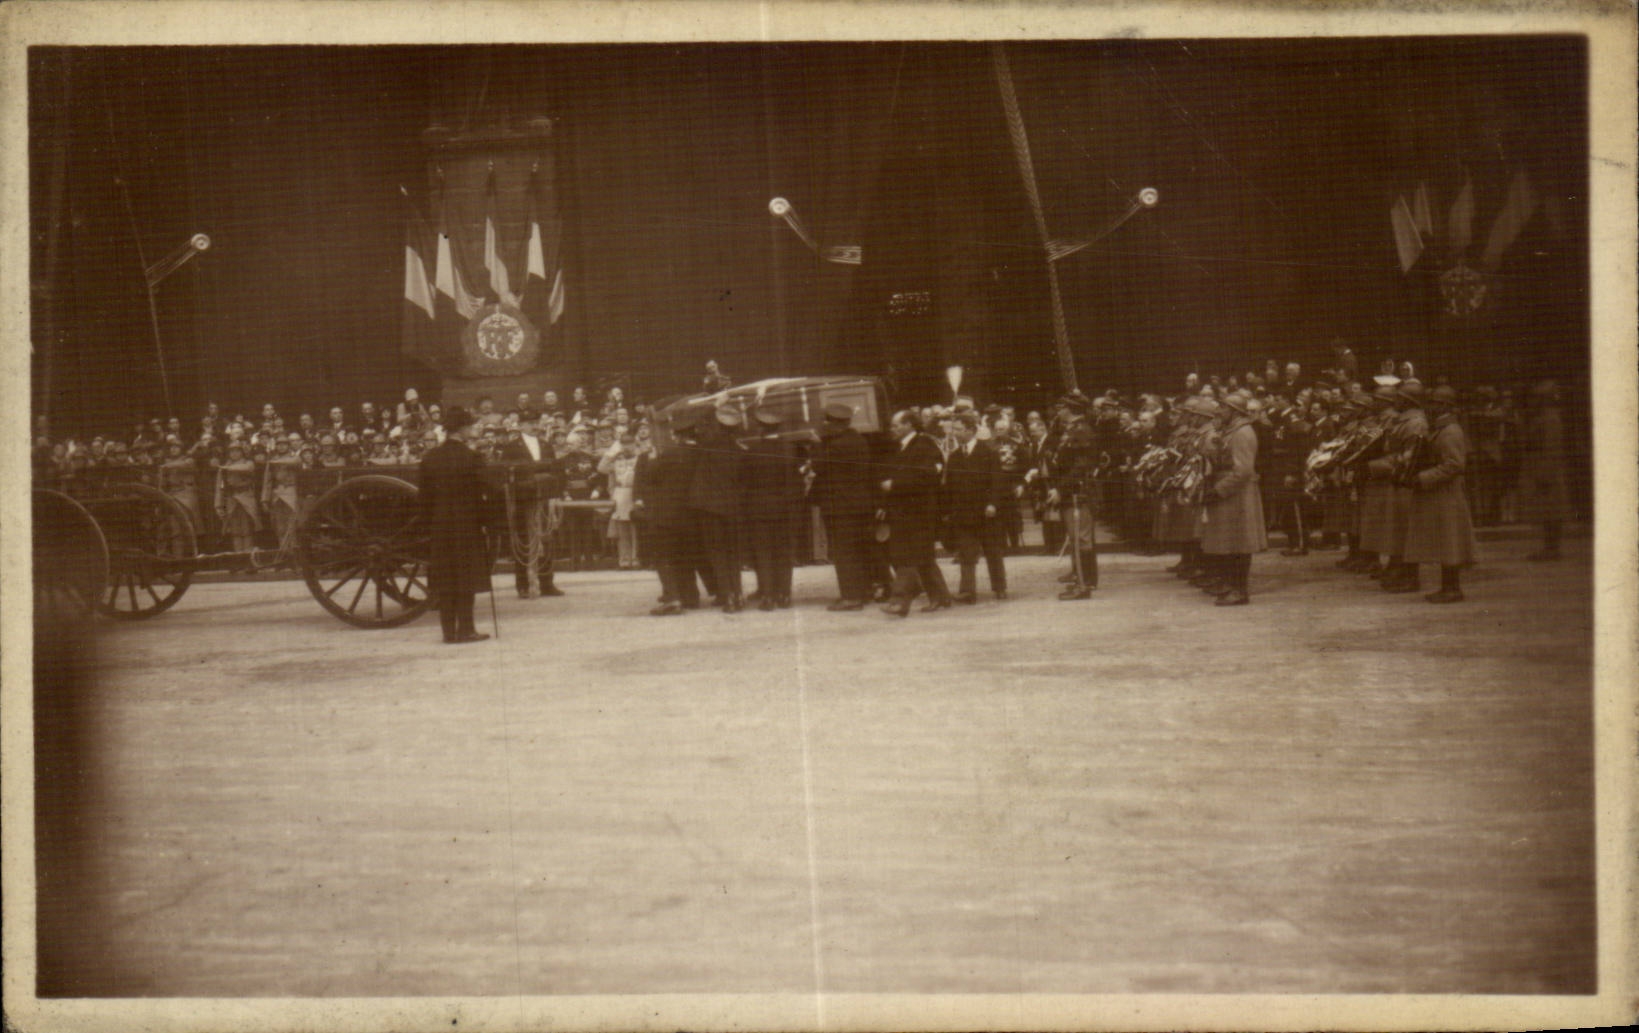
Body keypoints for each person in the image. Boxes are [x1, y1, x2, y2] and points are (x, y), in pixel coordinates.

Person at [418, 406, 495, 644]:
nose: (472, 429)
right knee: (465, 577)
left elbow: (424, 499)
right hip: (466, 526)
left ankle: (448, 633)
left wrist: (430, 526)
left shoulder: (430, 458)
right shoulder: (472, 458)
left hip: (440, 526)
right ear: (462, 430)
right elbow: (485, 492)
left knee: (446, 578)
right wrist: (486, 522)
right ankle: (467, 629)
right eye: (470, 426)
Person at [1403, 386, 1477, 602]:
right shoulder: (1441, 429)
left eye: (1434, 403)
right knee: (1446, 541)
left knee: (1450, 541)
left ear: (1445, 406)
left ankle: (1452, 589)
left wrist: (1423, 478)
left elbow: (1454, 464)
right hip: (1440, 494)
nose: (1430, 407)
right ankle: (1448, 587)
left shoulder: (1450, 431)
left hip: (1447, 494)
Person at [877, 408, 953, 617]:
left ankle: (899, 601)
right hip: (903, 511)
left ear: (909, 425)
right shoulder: (900, 447)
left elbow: (927, 476)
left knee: (906, 557)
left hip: (919, 512)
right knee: (923, 556)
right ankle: (940, 596)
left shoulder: (924, 445)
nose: (892, 429)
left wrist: (895, 484)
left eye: (896, 425)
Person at [634, 410, 705, 615]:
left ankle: (672, 598)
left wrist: (654, 459)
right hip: (690, 512)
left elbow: (652, 476)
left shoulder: (670, 453)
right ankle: (690, 595)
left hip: (666, 513)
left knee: (664, 556)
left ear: (677, 435)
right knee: (686, 555)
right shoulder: (701, 452)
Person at [1199, 390, 1266, 605]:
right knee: (1229, 542)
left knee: (1239, 544)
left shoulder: (1242, 433)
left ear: (1235, 411)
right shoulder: (1231, 430)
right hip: (1230, 491)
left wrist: (1219, 490)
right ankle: (1230, 584)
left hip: (1237, 493)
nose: (1219, 410)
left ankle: (1239, 589)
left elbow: (1243, 470)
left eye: (1224, 407)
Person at [808, 401, 876, 610]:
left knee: (843, 553)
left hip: (840, 507)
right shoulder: (859, 440)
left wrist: (816, 445)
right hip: (860, 505)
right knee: (859, 550)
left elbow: (819, 467)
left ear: (832, 423)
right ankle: (864, 592)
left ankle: (851, 597)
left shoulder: (833, 446)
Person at [942, 411, 1007, 602]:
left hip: (986, 513)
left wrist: (993, 504)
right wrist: (948, 511)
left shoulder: (988, 453)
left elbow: (997, 482)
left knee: (993, 552)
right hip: (963, 514)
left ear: (971, 430)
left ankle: (1000, 587)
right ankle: (968, 591)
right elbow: (949, 486)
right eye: (954, 429)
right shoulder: (954, 457)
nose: (955, 433)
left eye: (959, 429)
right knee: (966, 554)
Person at [741, 407, 802, 609]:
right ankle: (784, 595)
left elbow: (746, 483)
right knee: (784, 552)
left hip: (759, 510)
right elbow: (797, 482)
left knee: (763, 552)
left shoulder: (753, 452)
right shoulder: (791, 450)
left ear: (760, 428)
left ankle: (767, 596)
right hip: (786, 509)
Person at [497, 415, 564, 598]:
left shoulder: (546, 445)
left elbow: (556, 470)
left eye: (535, 423)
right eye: (529, 423)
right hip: (522, 500)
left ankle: (547, 583)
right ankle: (524, 585)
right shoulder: (511, 447)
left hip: (543, 499)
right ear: (521, 426)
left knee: (546, 539)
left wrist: (556, 492)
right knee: (525, 541)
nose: (533, 426)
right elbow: (507, 472)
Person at [689, 405, 746, 612]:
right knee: (733, 553)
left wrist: (713, 405)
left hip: (709, 508)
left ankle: (727, 596)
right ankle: (737, 594)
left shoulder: (708, 444)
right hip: (732, 508)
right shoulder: (740, 449)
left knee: (717, 552)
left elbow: (699, 425)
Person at [1044, 391, 1101, 600]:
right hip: (1072, 491)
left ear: (1070, 409)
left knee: (1081, 539)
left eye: (1063, 407)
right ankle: (1080, 580)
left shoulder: (1082, 431)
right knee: (1076, 537)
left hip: (1079, 492)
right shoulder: (1072, 430)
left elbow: (1081, 467)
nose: (1060, 410)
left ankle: (1083, 586)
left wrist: (1061, 488)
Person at [1518, 379, 1569, 560]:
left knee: (1552, 510)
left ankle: (1552, 549)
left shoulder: (1550, 418)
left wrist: (1546, 473)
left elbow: (1551, 446)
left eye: (1538, 398)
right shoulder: (1542, 417)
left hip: (1548, 470)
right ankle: (1549, 547)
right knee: (1547, 509)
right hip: (1541, 468)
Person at [598, 430, 642, 570]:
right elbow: (601, 468)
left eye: (629, 444)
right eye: (624, 444)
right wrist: (611, 454)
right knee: (622, 530)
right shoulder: (617, 458)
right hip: (620, 494)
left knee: (635, 529)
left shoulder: (640, 458)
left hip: (635, 494)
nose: (627, 447)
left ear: (635, 444)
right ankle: (624, 560)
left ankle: (636, 559)